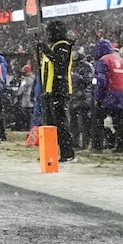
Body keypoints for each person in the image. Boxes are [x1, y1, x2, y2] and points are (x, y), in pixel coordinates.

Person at [36, 20, 78, 162]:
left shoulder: (63, 46)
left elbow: (59, 62)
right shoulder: (55, 46)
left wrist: (45, 50)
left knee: (60, 124)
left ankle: (67, 153)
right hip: (50, 90)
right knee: (49, 124)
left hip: (60, 90)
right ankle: (50, 152)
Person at [92, 38, 123, 153]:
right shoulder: (120, 60)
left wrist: (97, 97)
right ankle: (122, 146)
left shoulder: (103, 60)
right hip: (122, 95)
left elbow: (101, 80)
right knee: (121, 122)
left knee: (98, 120)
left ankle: (97, 145)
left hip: (109, 94)